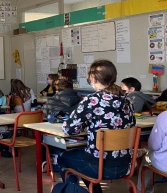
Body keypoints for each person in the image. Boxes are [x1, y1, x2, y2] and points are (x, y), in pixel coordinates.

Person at [57, 60, 135, 193]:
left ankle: (72, 189)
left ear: (92, 78)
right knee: (84, 159)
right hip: (125, 165)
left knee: (64, 158)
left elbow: (69, 129)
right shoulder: (127, 100)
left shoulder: (91, 100)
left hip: (97, 166)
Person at [136, 110, 167, 193]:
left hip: (164, 164)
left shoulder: (164, 116)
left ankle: (141, 190)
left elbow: (154, 146)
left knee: (146, 156)